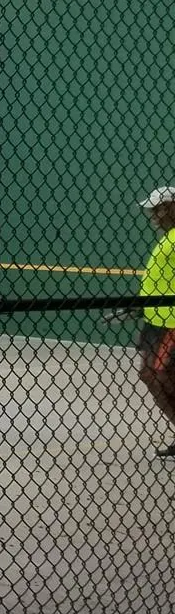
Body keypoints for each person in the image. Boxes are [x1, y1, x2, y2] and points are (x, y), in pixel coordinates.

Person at [136, 187, 175, 459]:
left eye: (158, 209)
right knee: (153, 375)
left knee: (156, 375)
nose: (153, 215)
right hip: (155, 321)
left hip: (171, 322)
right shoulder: (167, 239)